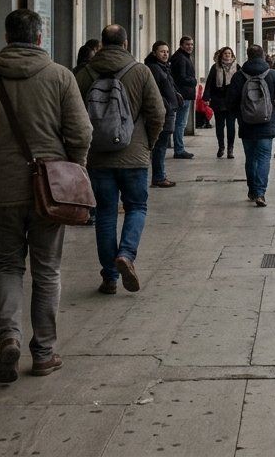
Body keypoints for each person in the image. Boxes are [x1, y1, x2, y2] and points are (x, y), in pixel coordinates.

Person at [0, 10, 90, 382]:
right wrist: (72, 172)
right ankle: (44, 352)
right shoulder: (60, 77)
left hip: (1, 191)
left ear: (5, 35)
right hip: (50, 190)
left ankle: (9, 338)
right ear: (40, 36)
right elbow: (81, 132)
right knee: (47, 270)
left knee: (7, 266)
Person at [77, 25, 166, 296]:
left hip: (98, 157)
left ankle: (109, 277)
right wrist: (147, 143)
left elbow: (73, 116)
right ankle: (126, 254)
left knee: (105, 214)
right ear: (126, 43)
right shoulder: (140, 71)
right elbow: (157, 112)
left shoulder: (85, 73)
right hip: (134, 155)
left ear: (101, 44)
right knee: (137, 207)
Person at [229, 44, 275, 206]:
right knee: (263, 157)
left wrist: (240, 117)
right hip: (267, 123)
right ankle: (261, 193)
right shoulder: (273, 75)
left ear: (247, 56)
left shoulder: (238, 76)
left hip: (247, 124)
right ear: (263, 56)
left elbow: (231, 102)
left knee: (251, 158)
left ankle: (252, 189)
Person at [144, 42, 182, 188]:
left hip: (169, 110)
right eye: (162, 52)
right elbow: (155, 92)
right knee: (160, 145)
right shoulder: (154, 68)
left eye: (167, 51)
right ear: (154, 53)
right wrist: (166, 104)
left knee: (162, 144)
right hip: (163, 111)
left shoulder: (164, 67)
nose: (165, 54)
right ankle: (159, 177)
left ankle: (160, 175)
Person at [203, 47, 240, 159]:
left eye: (229, 53)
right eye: (225, 53)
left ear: (232, 55)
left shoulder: (237, 67)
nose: (227, 55)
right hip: (218, 100)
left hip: (232, 101)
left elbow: (242, 82)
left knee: (231, 126)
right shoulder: (215, 67)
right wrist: (206, 97)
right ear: (221, 55)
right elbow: (209, 83)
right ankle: (221, 147)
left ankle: (230, 149)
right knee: (219, 126)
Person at [168, 36, 196, 159]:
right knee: (180, 123)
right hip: (182, 95)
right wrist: (193, 81)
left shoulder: (182, 57)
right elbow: (181, 77)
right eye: (187, 44)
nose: (190, 47)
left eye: (191, 44)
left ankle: (178, 148)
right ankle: (179, 149)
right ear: (181, 45)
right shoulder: (181, 58)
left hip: (182, 94)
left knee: (179, 123)